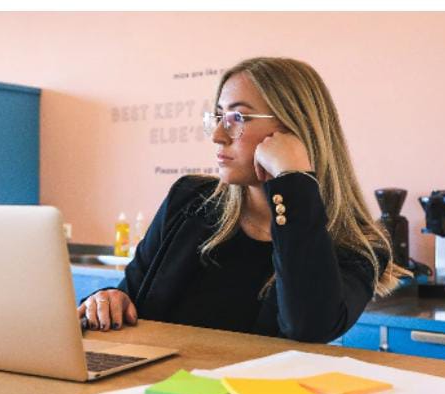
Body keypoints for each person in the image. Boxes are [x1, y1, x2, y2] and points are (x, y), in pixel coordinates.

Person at [78, 57, 410, 343]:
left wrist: (293, 181)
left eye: (238, 118)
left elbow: (309, 327)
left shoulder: (357, 245)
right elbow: (129, 297)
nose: (217, 134)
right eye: (218, 116)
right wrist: (110, 300)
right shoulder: (189, 201)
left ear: (294, 130)